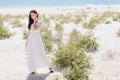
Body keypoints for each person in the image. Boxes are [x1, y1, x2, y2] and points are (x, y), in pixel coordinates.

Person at [25, 10, 54, 74]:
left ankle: (49, 67)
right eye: (31, 15)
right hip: (30, 40)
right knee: (31, 54)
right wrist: (26, 41)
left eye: (33, 15)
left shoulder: (40, 22)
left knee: (41, 52)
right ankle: (33, 69)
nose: (32, 16)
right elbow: (29, 32)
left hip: (37, 39)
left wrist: (35, 22)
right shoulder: (30, 23)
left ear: (36, 14)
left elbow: (35, 29)